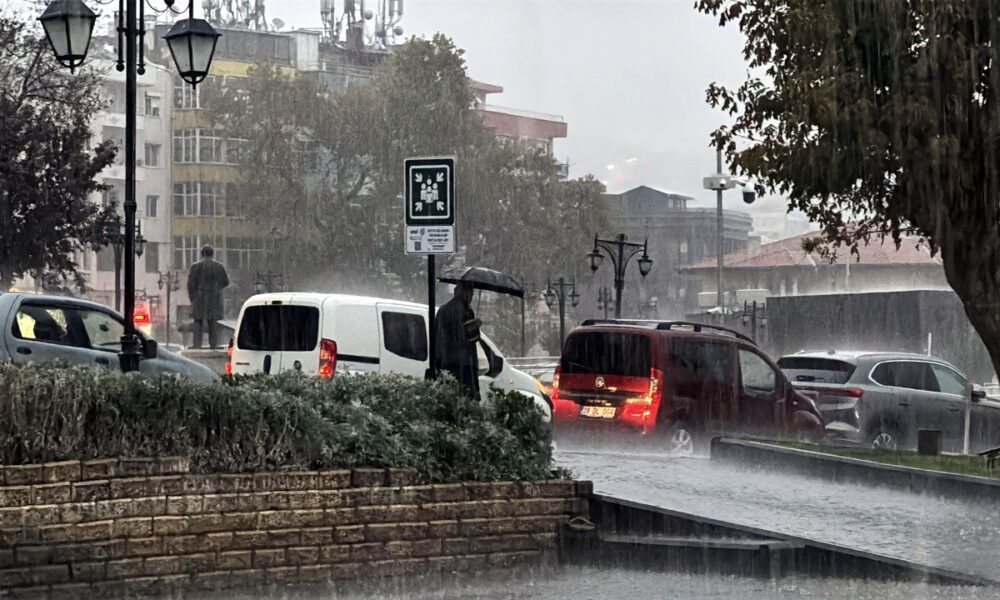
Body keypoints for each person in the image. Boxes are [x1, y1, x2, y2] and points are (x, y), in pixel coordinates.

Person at [434, 281, 481, 397]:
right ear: (465, 293)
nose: (471, 298)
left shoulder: (442, 310)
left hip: (444, 363)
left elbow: (436, 336)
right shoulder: (465, 311)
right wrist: (474, 326)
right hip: (462, 367)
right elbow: (463, 339)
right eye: (471, 294)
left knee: (447, 398)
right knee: (464, 399)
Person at [187, 245, 229, 349]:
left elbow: (190, 284)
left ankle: (197, 344)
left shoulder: (195, 266)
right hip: (213, 298)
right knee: (212, 321)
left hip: (199, 297)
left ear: (202, 254)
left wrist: (193, 298)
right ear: (212, 253)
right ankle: (213, 344)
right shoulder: (219, 266)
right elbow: (225, 282)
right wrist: (216, 288)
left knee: (198, 320)